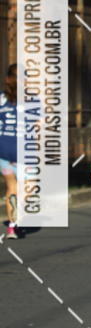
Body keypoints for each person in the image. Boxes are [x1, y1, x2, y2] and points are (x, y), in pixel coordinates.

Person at [0, 64, 19, 240]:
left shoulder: (1, 99)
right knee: (24, 187)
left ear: (7, 80)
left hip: (3, 150)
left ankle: (11, 226)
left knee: (11, 187)